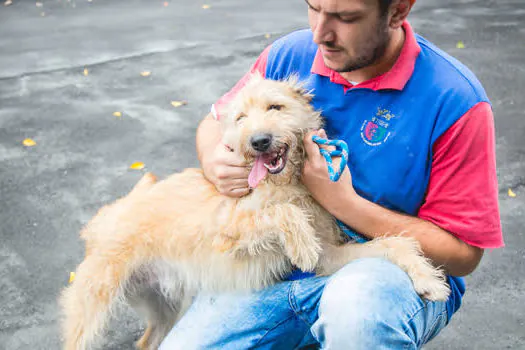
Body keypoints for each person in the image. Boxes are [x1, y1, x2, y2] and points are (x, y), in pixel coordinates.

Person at [160, 0, 504, 348]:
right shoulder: (287, 55)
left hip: (382, 271)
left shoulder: (455, 99)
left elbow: (463, 255)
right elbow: (215, 121)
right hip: (276, 267)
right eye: (314, 7)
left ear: (398, 11)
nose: (320, 33)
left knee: (357, 313)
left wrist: (345, 204)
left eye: (346, 17)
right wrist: (213, 158)